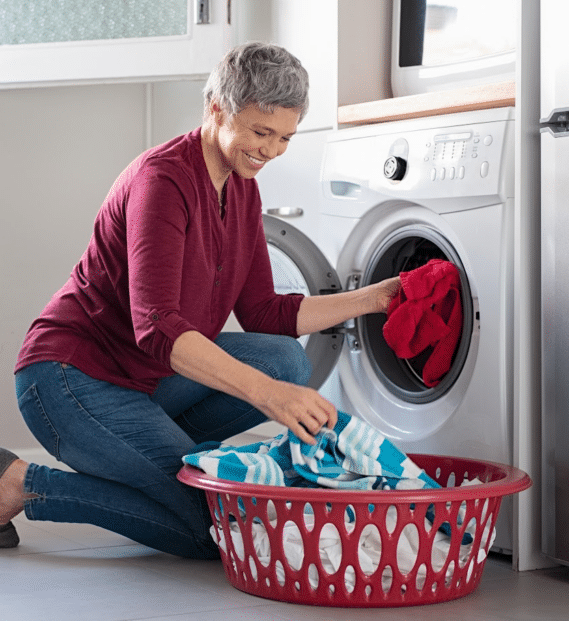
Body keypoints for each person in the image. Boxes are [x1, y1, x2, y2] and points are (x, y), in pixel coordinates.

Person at [0, 42, 399, 558]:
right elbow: (159, 327)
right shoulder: (161, 180)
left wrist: (375, 297)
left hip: (146, 380)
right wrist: (268, 396)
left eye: (284, 137)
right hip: (72, 379)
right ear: (216, 109)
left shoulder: (242, 187)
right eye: (260, 132)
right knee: (220, 531)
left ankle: (157, 464)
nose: (271, 151)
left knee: (286, 361)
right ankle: (23, 484)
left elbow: (264, 313)